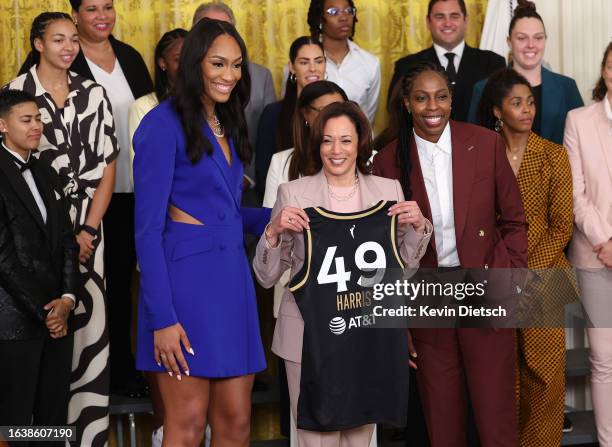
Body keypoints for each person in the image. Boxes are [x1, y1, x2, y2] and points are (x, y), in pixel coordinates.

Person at [253, 101, 432, 445]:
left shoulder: (388, 190)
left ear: (360, 142)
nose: (337, 150)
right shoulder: (293, 193)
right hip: (309, 340)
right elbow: (266, 276)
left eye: (346, 140)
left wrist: (419, 226)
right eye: (328, 141)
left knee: (359, 438)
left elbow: (402, 269)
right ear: (317, 144)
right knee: (316, 439)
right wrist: (272, 232)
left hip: (366, 335)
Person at [373, 62, 528, 447]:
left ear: (452, 99)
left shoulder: (485, 143)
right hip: (427, 301)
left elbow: (514, 221)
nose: (433, 106)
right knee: (443, 423)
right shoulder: (388, 160)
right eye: (422, 98)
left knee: (496, 419)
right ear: (407, 103)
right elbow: (384, 251)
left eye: (441, 96)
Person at [133, 18, 270, 446]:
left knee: (236, 424)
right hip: (185, 291)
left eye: (236, 65)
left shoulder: (226, 123)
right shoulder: (161, 125)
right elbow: (148, 230)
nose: (229, 75)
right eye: (218, 63)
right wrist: (162, 319)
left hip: (233, 284)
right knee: (188, 425)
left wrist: (282, 215)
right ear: (195, 64)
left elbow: (226, 216)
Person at [4, 12, 118, 446]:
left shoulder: (93, 92)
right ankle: (34, 438)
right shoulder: (16, 94)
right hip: (33, 242)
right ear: (37, 43)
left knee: (87, 342)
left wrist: (88, 230)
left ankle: (84, 438)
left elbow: (109, 165)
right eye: (58, 39)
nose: (69, 47)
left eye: (73, 39)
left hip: (90, 234)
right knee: (37, 345)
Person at [45, 0, 153, 399]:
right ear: (74, 14)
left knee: (125, 283)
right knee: (84, 288)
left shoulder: (129, 56)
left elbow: (154, 117)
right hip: (80, 202)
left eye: (108, 7)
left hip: (133, 191)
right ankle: (80, 384)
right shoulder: (59, 57)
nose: (102, 15)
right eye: (91, 9)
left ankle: (124, 373)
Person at [476, 67, 576, 447]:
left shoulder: (553, 155)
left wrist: (526, 271)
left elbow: (561, 225)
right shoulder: (480, 154)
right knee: (503, 377)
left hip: (545, 277)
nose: (526, 109)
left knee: (546, 376)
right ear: (497, 110)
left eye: (530, 102)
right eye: (516, 103)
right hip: (494, 278)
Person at [0, 89, 79, 446]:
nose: (37, 126)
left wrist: (66, 299)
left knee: (52, 419)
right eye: (26, 119)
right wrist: (44, 312)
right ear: (2, 125)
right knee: (15, 423)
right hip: (14, 322)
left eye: (39, 118)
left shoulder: (46, 172)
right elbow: (4, 258)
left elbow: (66, 240)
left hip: (56, 317)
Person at [564, 41, 612, 447]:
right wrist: (605, 240)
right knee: (604, 358)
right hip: (596, 257)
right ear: (604, 71)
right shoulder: (578, 120)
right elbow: (575, 193)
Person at [468, 0, 583, 145]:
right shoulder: (484, 89)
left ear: (545, 40)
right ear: (509, 41)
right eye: (522, 38)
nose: (530, 45)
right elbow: (474, 146)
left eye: (538, 37)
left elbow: (582, 144)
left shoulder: (567, 87)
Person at [193, 1, 277, 191]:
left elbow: (266, 139)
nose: (229, 76)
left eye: (226, 29)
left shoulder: (257, 77)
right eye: (210, 29)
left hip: (247, 187)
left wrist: (247, 177)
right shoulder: (164, 119)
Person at [389, 0, 505, 122]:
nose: (447, 23)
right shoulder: (406, 66)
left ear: (465, 20)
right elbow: (397, 115)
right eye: (440, 17)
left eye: (454, 16)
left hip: (481, 140)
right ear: (428, 21)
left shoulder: (494, 63)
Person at [255, 36, 326, 196]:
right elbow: (263, 175)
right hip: (284, 203)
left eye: (319, 61)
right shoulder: (273, 114)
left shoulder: (341, 109)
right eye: (304, 62)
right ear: (292, 67)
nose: (313, 68)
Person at [307, 0, 381, 124]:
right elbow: (291, 105)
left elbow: (368, 116)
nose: (343, 17)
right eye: (333, 12)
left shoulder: (370, 63)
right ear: (319, 18)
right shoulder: (304, 61)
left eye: (348, 11)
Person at [128, 28, 187, 180]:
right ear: (162, 63)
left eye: (193, 57)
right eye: (179, 59)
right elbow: (140, 172)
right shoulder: (143, 107)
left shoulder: (208, 104)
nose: (188, 65)